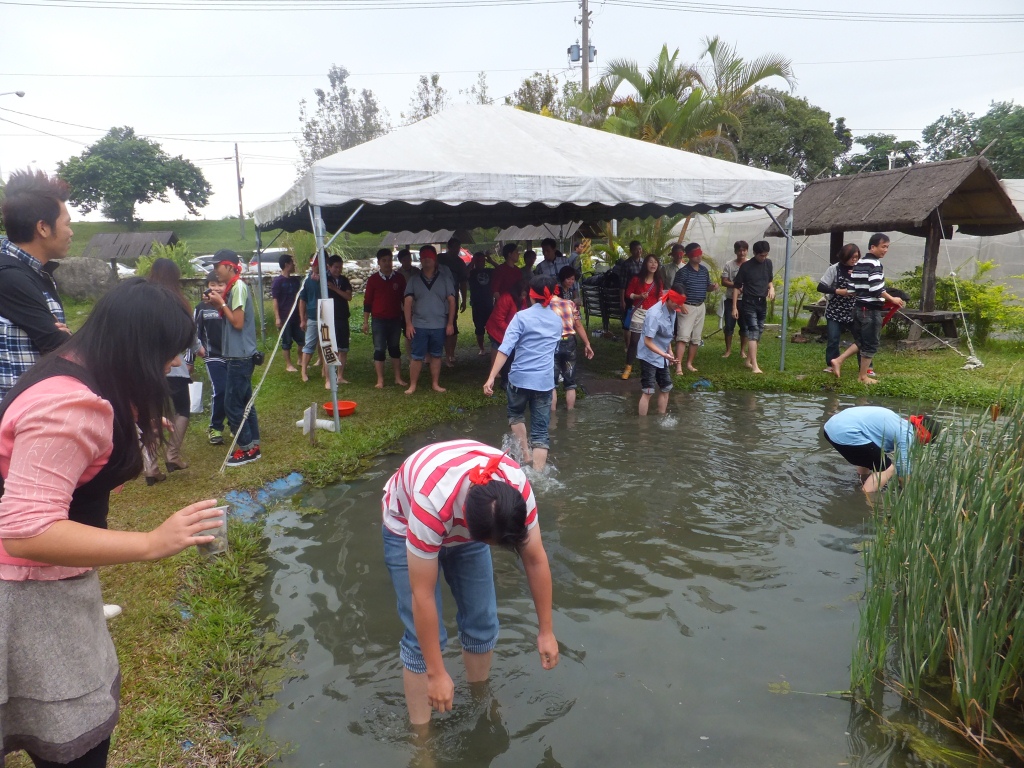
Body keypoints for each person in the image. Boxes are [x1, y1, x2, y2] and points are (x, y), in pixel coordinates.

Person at [0, 278, 224, 768]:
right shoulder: (70, 406)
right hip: (21, 598)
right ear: (138, 349)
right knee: (76, 737)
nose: (170, 367)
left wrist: (130, 418)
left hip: (42, 587)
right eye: (167, 356)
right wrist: (151, 542)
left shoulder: (80, 370)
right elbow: (26, 531)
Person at [381, 439, 558, 725]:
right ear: (470, 528)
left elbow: (535, 559)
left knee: (483, 621)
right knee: (421, 641)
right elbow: (422, 595)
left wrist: (546, 631)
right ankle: (423, 745)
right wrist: (437, 674)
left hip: (466, 520)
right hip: (406, 523)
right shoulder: (431, 502)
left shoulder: (516, 488)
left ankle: (480, 703)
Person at [0, 169, 73, 401]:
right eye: (67, 224)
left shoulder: (29, 273)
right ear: (43, 228)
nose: (71, 232)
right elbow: (61, 349)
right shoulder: (10, 277)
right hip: (14, 423)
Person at [483, 276, 564, 471]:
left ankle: (525, 454)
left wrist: (492, 376)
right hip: (544, 382)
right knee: (540, 433)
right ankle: (538, 476)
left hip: (519, 380)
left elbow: (505, 349)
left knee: (516, 415)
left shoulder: (521, 317)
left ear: (530, 293)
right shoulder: (556, 320)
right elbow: (553, 350)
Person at [142, 258, 199, 485]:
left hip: (148, 368)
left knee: (151, 415)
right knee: (182, 408)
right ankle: (172, 456)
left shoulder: (142, 300)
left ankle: (150, 467)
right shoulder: (177, 302)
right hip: (175, 368)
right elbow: (189, 334)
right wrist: (198, 349)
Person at [208, 250, 261, 467]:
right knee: (245, 401)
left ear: (229, 266)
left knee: (232, 405)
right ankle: (254, 445)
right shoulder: (234, 287)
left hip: (240, 355)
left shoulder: (238, 287)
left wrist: (221, 304)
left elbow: (237, 323)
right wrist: (219, 302)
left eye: (217, 265)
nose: (214, 271)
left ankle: (247, 450)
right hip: (239, 354)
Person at [823, 406, 941, 493]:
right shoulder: (907, 434)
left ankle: (862, 479)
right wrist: (909, 492)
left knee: (874, 456)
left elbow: (871, 452)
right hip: (846, 433)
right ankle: (864, 498)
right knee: (887, 469)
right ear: (923, 435)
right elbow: (902, 470)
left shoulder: (898, 421)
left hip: (830, 428)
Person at [844, 233, 904, 385]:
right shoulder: (875, 264)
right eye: (883, 247)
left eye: (887, 247)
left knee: (861, 341)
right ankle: (863, 376)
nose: (886, 250)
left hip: (857, 308)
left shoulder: (858, 263)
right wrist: (893, 299)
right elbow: (877, 288)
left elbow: (851, 290)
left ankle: (838, 361)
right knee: (871, 343)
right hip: (869, 310)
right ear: (873, 247)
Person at [404, 245, 455, 395]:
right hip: (419, 324)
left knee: (436, 355)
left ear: (435, 259)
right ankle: (412, 385)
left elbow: (452, 300)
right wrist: (408, 324)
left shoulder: (445, 279)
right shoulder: (414, 280)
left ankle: (435, 383)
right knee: (417, 356)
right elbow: (407, 302)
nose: (427, 260)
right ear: (420, 259)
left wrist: (450, 323)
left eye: (429, 257)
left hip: (439, 324)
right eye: (424, 257)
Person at [362, 248, 408, 389]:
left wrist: (407, 320)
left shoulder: (399, 278)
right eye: (384, 261)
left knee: (395, 349)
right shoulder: (373, 280)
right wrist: (365, 322)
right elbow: (367, 302)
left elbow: (405, 300)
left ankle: (397, 378)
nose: (387, 263)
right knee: (379, 350)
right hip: (379, 321)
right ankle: (380, 380)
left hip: (395, 319)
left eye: (389, 260)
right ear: (378, 263)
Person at [637, 290, 687, 416]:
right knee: (648, 390)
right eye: (677, 303)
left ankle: (661, 417)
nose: (679, 307)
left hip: (662, 353)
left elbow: (667, 334)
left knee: (666, 387)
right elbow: (647, 341)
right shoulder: (655, 314)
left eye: (680, 304)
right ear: (669, 299)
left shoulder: (672, 309)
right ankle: (642, 425)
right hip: (648, 354)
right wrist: (664, 354)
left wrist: (669, 350)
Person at [671, 242, 717, 375]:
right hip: (687, 306)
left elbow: (707, 286)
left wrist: (712, 287)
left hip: (700, 306)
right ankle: (678, 365)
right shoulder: (682, 272)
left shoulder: (704, 270)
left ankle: (689, 363)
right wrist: (681, 305)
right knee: (682, 337)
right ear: (690, 256)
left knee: (696, 338)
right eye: (696, 254)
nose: (699, 256)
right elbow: (675, 291)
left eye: (700, 252)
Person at [817, 244, 862, 376]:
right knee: (833, 338)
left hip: (854, 310)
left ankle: (866, 365)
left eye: (857, 257)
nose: (855, 260)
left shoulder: (860, 269)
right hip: (835, 310)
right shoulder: (834, 269)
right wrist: (838, 291)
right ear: (844, 257)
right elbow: (821, 287)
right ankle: (832, 364)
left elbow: (869, 286)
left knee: (861, 338)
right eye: (852, 257)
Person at [732, 240, 775, 375]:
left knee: (759, 331)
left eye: (766, 255)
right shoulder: (746, 266)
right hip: (749, 302)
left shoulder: (768, 263)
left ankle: (748, 361)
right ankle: (755, 366)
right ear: (755, 253)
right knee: (753, 330)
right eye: (761, 255)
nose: (764, 258)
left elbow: (769, 280)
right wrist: (734, 306)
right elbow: (737, 285)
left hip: (762, 302)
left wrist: (771, 288)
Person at [550, 282, 595, 411]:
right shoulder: (569, 303)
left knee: (551, 384)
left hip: (552, 344)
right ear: (559, 292)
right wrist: (587, 344)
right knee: (570, 382)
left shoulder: (544, 306)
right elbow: (578, 325)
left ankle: (552, 417)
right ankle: (571, 414)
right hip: (569, 343)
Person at [194, 271, 227, 445]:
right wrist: (190, 359)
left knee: (236, 390)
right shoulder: (202, 307)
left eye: (220, 284)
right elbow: (193, 332)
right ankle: (215, 427)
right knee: (220, 389)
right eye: (212, 284)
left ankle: (238, 422)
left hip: (234, 355)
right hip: (212, 356)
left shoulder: (231, 304)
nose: (216, 288)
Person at [621, 254, 663, 380]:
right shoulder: (636, 279)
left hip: (652, 315)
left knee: (651, 341)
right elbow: (628, 294)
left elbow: (660, 296)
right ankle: (628, 367)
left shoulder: (658, 281)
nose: (653, 264)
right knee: (634, 341)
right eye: (651, 262)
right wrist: (639, 296)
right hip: (639, 312)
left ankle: (649, 368)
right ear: (645, 264)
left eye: (656, 262)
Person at [484, 279, 527, 391]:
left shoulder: (522, 300)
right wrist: (512, 332)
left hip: (509, 330)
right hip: (497, 330)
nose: (524, 296)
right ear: (518, 291)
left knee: (510, 355)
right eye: (523, 293)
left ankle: (506, 378)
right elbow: (498, 319)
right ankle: (498, 378)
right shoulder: (506, 298)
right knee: (502, 352)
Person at [438, 237, 469, 367]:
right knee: (439, 324)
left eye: (458, 247)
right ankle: (438, 354)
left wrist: (464, 300)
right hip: (438, 296)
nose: (456, 250)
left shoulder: (460, 262)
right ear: (449, 247)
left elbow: (463, 282)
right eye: (454, 247)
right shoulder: (439, 258)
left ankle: (450, 353)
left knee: (452, 324)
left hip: (453, 296)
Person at [270, 253, 303, 373]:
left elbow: (300, 298)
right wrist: (277, 318)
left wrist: (302, 315)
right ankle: (288, 365)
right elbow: (275, 300)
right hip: (284, 317)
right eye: (292, 262)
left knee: (302, 340)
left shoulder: (295, 281)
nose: (294, 264)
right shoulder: (277, 282)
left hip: (297, 316)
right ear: (286, 264)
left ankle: (300, 360)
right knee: (286, 342)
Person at [324, 255, 353, 386]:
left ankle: (340, 376)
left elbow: (348, 296)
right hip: (328, 316)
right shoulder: (324, 279)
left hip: (342, 317)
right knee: (330, 349)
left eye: (340, 267)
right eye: (335, 267)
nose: (338, 270)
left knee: (343, 348)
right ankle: (329, 379)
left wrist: (335, 289)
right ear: (329, 267)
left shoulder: (344, 280)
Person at [614, 240, 646, 359]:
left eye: (640, 249)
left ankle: (639, 345)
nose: (639, 252)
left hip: (642, 296)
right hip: (629, 296)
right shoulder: (626, 264)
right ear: (631, 251)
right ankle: (627, 345)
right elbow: (622, 284)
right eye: (636, 249)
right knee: (628, 321)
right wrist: (622, 300)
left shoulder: (644, 262)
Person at [720, 241, 748, 360]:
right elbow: (723, 281)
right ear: (735, 251)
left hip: (746, 300)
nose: (741, 253)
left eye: (744, 250)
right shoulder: (729, 265)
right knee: (729, 326)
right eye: (739, 250)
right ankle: (728, 350)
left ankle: (742, 351)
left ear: (747, 251)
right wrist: (736, 285)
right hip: (731, 299)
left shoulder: (750, 264)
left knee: (745, 326)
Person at [298, 255, 323, 383]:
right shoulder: (307, 280)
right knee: (309, 344)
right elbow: (302, 300)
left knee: (325, 343)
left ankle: (325, 368)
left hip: (326, 314)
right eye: (315, 265)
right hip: (313, 316)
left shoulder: (327, 278)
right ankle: (304, 371)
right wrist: (302, 319)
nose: (316, 267)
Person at [468, 251, 493, 356]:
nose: (480, 263)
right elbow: (464, 273)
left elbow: (501, 270)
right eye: (478, 261)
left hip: (489, 302)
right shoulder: (472, 272)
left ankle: (493, 346)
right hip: (477, 303)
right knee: (479, 327)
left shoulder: (489, 271)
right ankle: (481, 348)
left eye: (482, 260)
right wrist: (472, 261)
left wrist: (490, 260)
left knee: (492, 326)